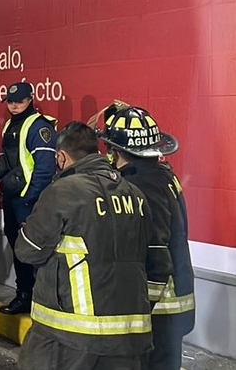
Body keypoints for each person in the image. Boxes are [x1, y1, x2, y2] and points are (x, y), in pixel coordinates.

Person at [16, 122, 167, 369]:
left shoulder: (62, 191)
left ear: (61, 157)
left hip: (68, 338)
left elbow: (27, 250)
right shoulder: (135, 195)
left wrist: (26, 230)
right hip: (128, 339)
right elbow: (156, 262)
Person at [99, 105, 195, 370]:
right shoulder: (161, 174)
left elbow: (156, 253)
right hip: (172, 304)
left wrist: (139, 307)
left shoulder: (141, 185)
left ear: (117, 151)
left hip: (159, 310)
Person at [0, 82, 57, 315]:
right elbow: (6, 161)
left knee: (34, 254)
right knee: (18, 250)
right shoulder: (10, 125)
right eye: (10, 101)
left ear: (30, 99)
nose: (14, 105)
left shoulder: (39, 126)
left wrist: (30, 199)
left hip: (28, 202)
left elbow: (44, 169)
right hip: (12, 199)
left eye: (19, 101)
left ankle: (38, 300)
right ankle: (24, 296)